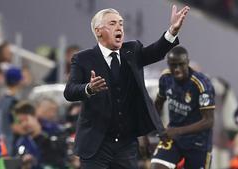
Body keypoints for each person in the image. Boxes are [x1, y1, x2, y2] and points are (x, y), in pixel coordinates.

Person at [63, 5, 190, 169]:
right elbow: (69, 91)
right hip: (95, 145)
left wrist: (172, 30)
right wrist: (88, 88)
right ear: (98, 31)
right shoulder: (82, 59)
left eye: (121, 24)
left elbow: (156, 52)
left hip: (125, 145)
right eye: (113, 24)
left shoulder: (132, 50)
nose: (119, 28)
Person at [150, 46, 215, 169]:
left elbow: (209, 121)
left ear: (187, 63)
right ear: (168, 64)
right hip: (173, 138)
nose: (177, 69)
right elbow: (157, 104)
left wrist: (177, 131)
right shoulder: (165, 79)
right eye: (173, 65)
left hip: (198, 142)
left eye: (181, 65)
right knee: (156, 167)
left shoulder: (202, 84)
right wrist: (153, 130)